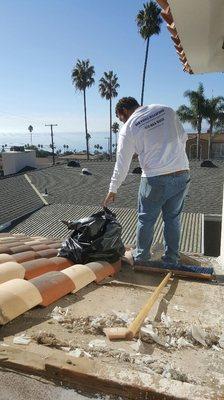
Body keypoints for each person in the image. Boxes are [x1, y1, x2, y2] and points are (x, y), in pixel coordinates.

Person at [102, 97, 190, 267]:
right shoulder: (166, 109)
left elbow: (122, 163)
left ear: (124, 112)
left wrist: (113, 189)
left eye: (121, 118)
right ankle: (172, 259)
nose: (122, 121)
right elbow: (183, 138)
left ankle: (142, 257)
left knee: (146, 220)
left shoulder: (129, 127)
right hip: (182, 174)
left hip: (154, 178)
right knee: (172, 219)